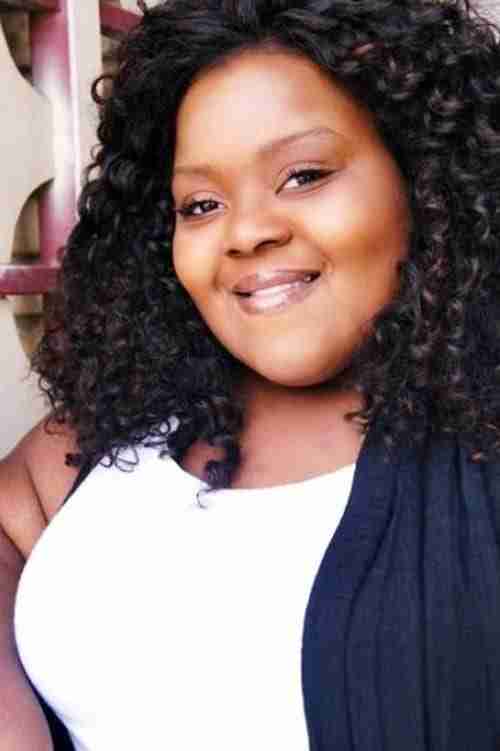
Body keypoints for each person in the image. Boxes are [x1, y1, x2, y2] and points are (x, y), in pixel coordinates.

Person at [2, 0, 500, 748]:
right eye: (201, 203)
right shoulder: (131, 422)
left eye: (303, 175)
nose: (246, 232)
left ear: (425, 178)